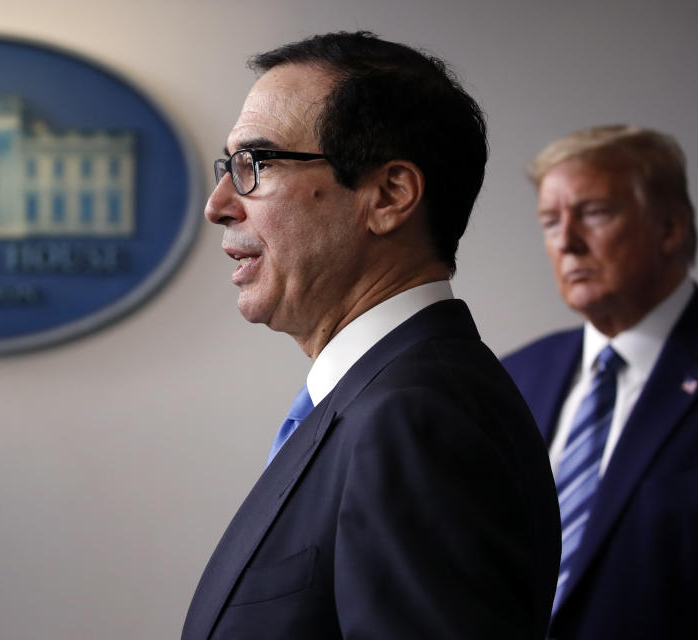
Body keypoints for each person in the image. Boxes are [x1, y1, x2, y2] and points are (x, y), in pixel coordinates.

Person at [182, 31, 560, 640]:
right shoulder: (377, 400)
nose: (220, 203)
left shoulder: (417, 417)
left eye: (258, 163)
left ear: (388, 196)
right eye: (230, 165)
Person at [502, 124, 698, 639]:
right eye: (551, 222)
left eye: (594, 213)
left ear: (670, 229)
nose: (568, 242)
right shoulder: (512, 377)